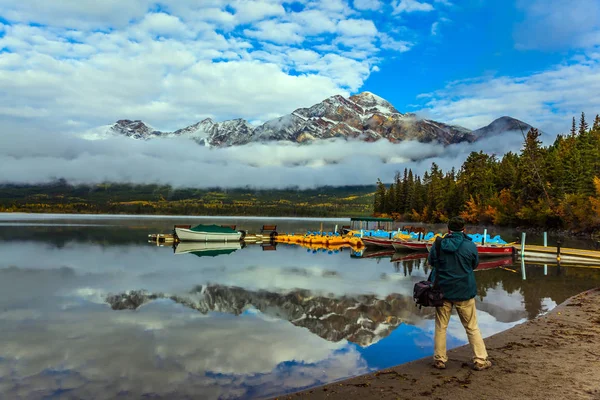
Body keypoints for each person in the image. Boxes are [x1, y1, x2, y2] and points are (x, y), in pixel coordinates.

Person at [427, 216, 492, 371]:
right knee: (471, 326)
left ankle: (440, 359)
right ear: (464, 230)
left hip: (442, 292)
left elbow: (431, 262)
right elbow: (474, 264)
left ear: (448, 230)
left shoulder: (438, 244)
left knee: (441, 326)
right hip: (464, 291)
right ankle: (480, 359)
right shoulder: (470, 245)